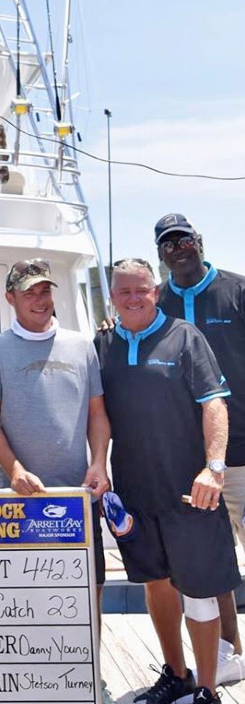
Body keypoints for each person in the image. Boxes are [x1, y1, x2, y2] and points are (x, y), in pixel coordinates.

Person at [95, 257, 237, 704]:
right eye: (124, 291)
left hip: (189, 488)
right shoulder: (103, 344)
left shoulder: (184, 336)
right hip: (135, 489)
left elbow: (215, 404)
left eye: (141, 289)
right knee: (155, 583)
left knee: (197, 589)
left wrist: (213, 468)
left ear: (156, 291)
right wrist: (97, 463)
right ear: (112, 297)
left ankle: (207, 690)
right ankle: (176, 675)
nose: (133, 298)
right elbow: (97, 414)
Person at [0, 259, 111, 593]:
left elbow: (97, 414)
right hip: (18, 498)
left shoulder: (81, 346)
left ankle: (89, 648)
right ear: (10, 298)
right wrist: (15, 469)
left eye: (45, 290)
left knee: (89, 589)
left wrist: (98, 463)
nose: (40, 300)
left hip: (78, 496)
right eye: (29, 293)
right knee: (24, 595)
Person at [153, 213, 245, 684]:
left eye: (184, 239)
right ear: (160, 253)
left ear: (200, 241)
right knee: (212, 560)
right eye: (168, 244)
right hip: (190, 459)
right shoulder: (157, 301)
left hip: (244, 453)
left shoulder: (237, 290)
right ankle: (231, 652)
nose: (178, 249)